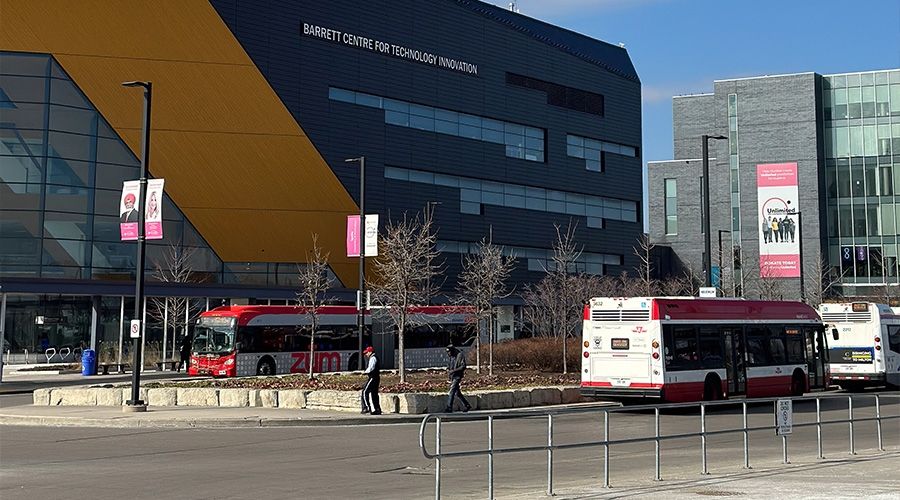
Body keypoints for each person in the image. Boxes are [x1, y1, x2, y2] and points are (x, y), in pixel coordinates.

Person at [445, 345, 471, 413]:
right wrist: (448, 370)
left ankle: (449, 407)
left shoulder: (460, 355)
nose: (448, 353)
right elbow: (448, 365)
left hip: (457, 376)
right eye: (447, 352)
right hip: (452, 376)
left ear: (452, 351)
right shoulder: (451, 357)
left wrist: (453, 371)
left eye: (449, 352)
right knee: (457, 393)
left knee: (452, 391)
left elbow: (463, 366)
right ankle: (467, 405)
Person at [360, 346, 381, 415]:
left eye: (367, 353)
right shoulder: (375, 357)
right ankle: (377, 409)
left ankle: (366, 407)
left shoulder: (373, 358)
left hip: (372, 377)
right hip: (376, 377)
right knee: (374, 393)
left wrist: (365, 372)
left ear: (370, 352)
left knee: (364, 391)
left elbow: (371, 368)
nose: (366, 354)